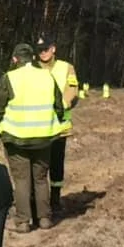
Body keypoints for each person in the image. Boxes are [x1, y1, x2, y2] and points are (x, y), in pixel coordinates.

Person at [0, 43, 66, 232]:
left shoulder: (10, 78)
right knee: (41, 179)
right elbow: (59, 107)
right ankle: (45, 218)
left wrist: (0, 129)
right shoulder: (47, 76)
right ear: (32, 58)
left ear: (15, 59)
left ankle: (23, 221)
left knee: (22, 179)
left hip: (16, 138)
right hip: (44, 138)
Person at [34, 35, 78, 215]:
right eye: (39, 50)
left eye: (45, 49)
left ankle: (55, 199)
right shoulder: (33, 68)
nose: (42, 53)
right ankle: (37, 202)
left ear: (53, 48)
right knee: (38, 165)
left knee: (57, 163)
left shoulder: (66, 68)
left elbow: (72, 91)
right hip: (37, 126)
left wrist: (61, 106)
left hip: (59, 126)